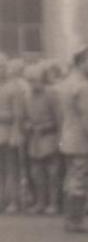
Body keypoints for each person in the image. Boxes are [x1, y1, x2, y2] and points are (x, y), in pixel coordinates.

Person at [56, 47, 88, 233]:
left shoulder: (66, 83)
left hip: (68, 137)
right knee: (80, 180)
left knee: (71, 178)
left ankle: (70, 219)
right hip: (81, 140)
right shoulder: (83, 86)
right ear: (82, 62)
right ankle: (76, 220)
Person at [23, 63, 61, 215]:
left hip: (50, 137)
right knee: (36, 174)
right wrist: (29, 126)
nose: (33, 84)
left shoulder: (52, 94)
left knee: (52, 173)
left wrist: (47, 127)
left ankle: (54, 203)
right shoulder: (27, 97)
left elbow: (59, 119)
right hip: (34, 139)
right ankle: (40, 202)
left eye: (35, 80)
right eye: (30, 81)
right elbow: (24, 118)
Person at [0, 53, 26, 213]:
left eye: (2, 67)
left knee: (11, 169)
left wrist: (16, 134)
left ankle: (13, 201)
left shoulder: (14, 88)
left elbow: (18, 114)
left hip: (8, 133)